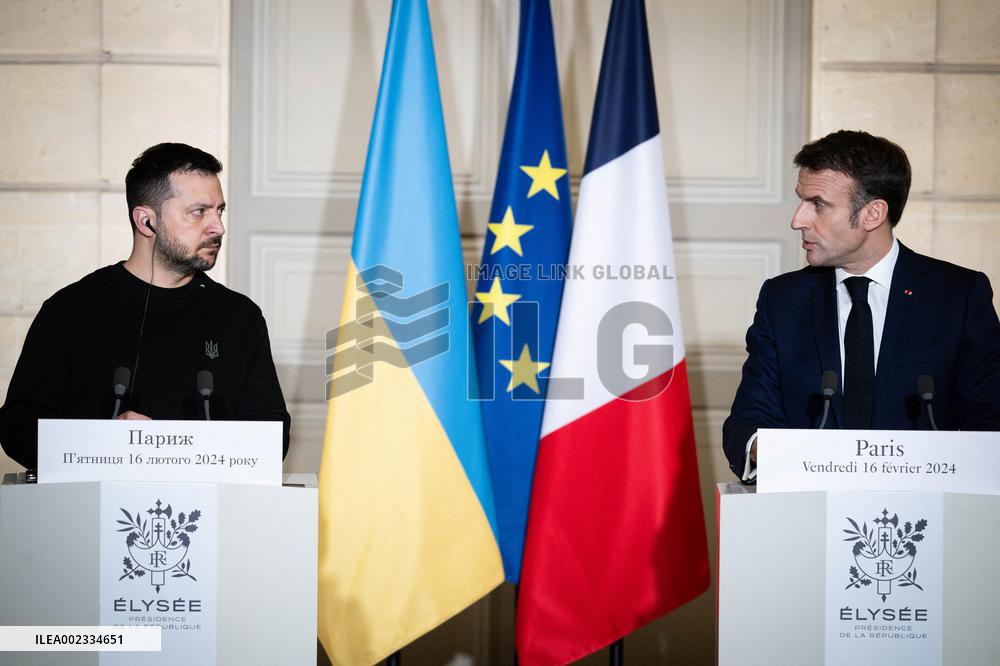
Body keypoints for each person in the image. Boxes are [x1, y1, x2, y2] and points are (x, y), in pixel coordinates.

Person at [723, 130, 1000, 482]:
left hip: (928, 518)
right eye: (801, 201)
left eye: (818, 204)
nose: (798, 220)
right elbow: (749, 420)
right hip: (806, 512)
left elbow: (989, 420)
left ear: (872, 214)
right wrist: (777, 453)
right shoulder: (782, 300)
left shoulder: (957, 296)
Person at [0, 143, 290, 470]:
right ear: (146, 221)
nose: (218, 227)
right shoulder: (70, 311)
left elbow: (272, 433)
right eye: (199, 212)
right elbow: (17, 428)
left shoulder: (240, 318)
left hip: (209, 512)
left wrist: (181, 449)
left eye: (219, 211)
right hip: (87, 515)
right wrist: (104, 443)